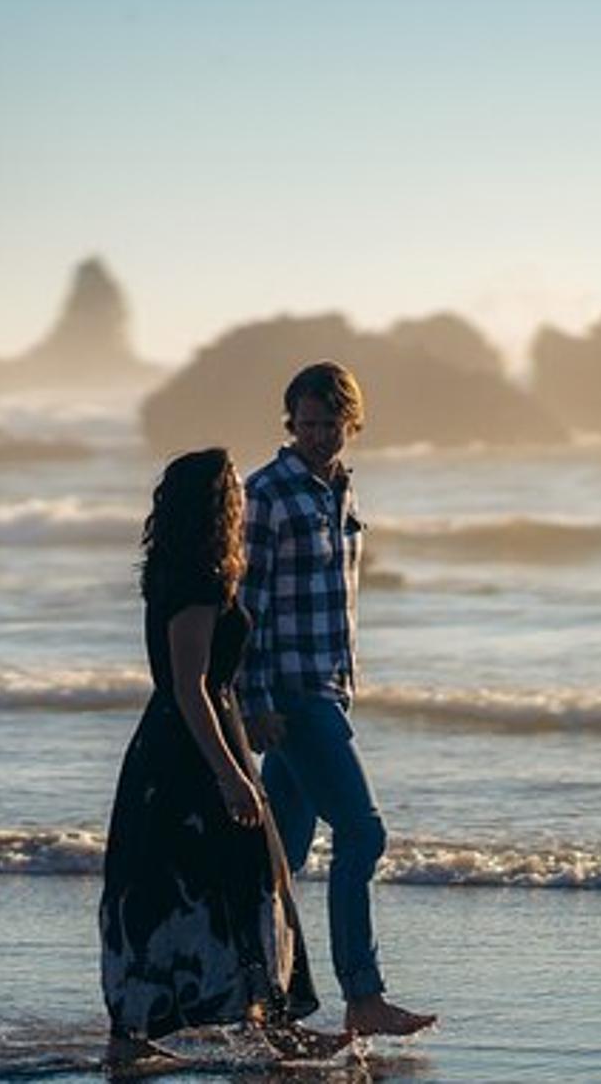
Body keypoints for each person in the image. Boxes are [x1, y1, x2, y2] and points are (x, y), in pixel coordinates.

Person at [99, 448, 344, 1069]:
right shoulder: (198, 580)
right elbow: (191, 686)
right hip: (189, 750)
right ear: (218, 504)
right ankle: (146, 1033)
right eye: (235, 490)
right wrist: (231, 776)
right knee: (242, 878)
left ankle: (260, 1022)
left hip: (189, 740)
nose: (244, 499)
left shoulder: (184, 568)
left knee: (200, 883)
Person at [239, 362, 438, 1038]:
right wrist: (254, 698)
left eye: (332, 423)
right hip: (291, 694)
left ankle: (254, 1001)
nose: (320, 434)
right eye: (308, 422)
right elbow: (247, 606)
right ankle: (363, 995)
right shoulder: (266, 493)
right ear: (289, 421)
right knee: (363, 832)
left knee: (282, 859)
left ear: (352, 423)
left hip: (329, 688)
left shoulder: (341, 490)